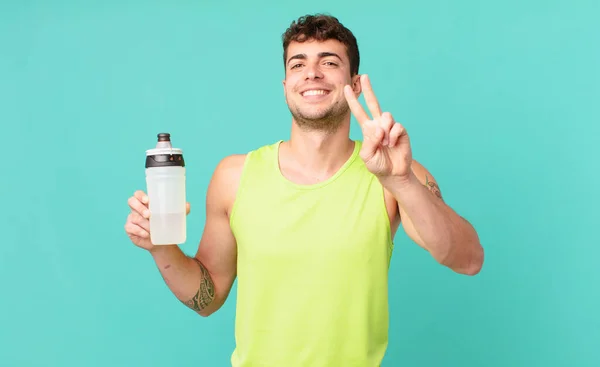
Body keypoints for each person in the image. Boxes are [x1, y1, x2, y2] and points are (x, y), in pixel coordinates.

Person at [124, 13, 484, 367]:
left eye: (329, 62)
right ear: (285, 87)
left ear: (354, 85)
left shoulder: (392, 172)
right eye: (298, 64)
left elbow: (469, 260)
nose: (312, 73)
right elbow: (207, 298)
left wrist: (402, 182)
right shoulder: (234, 176)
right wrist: (161, 247)